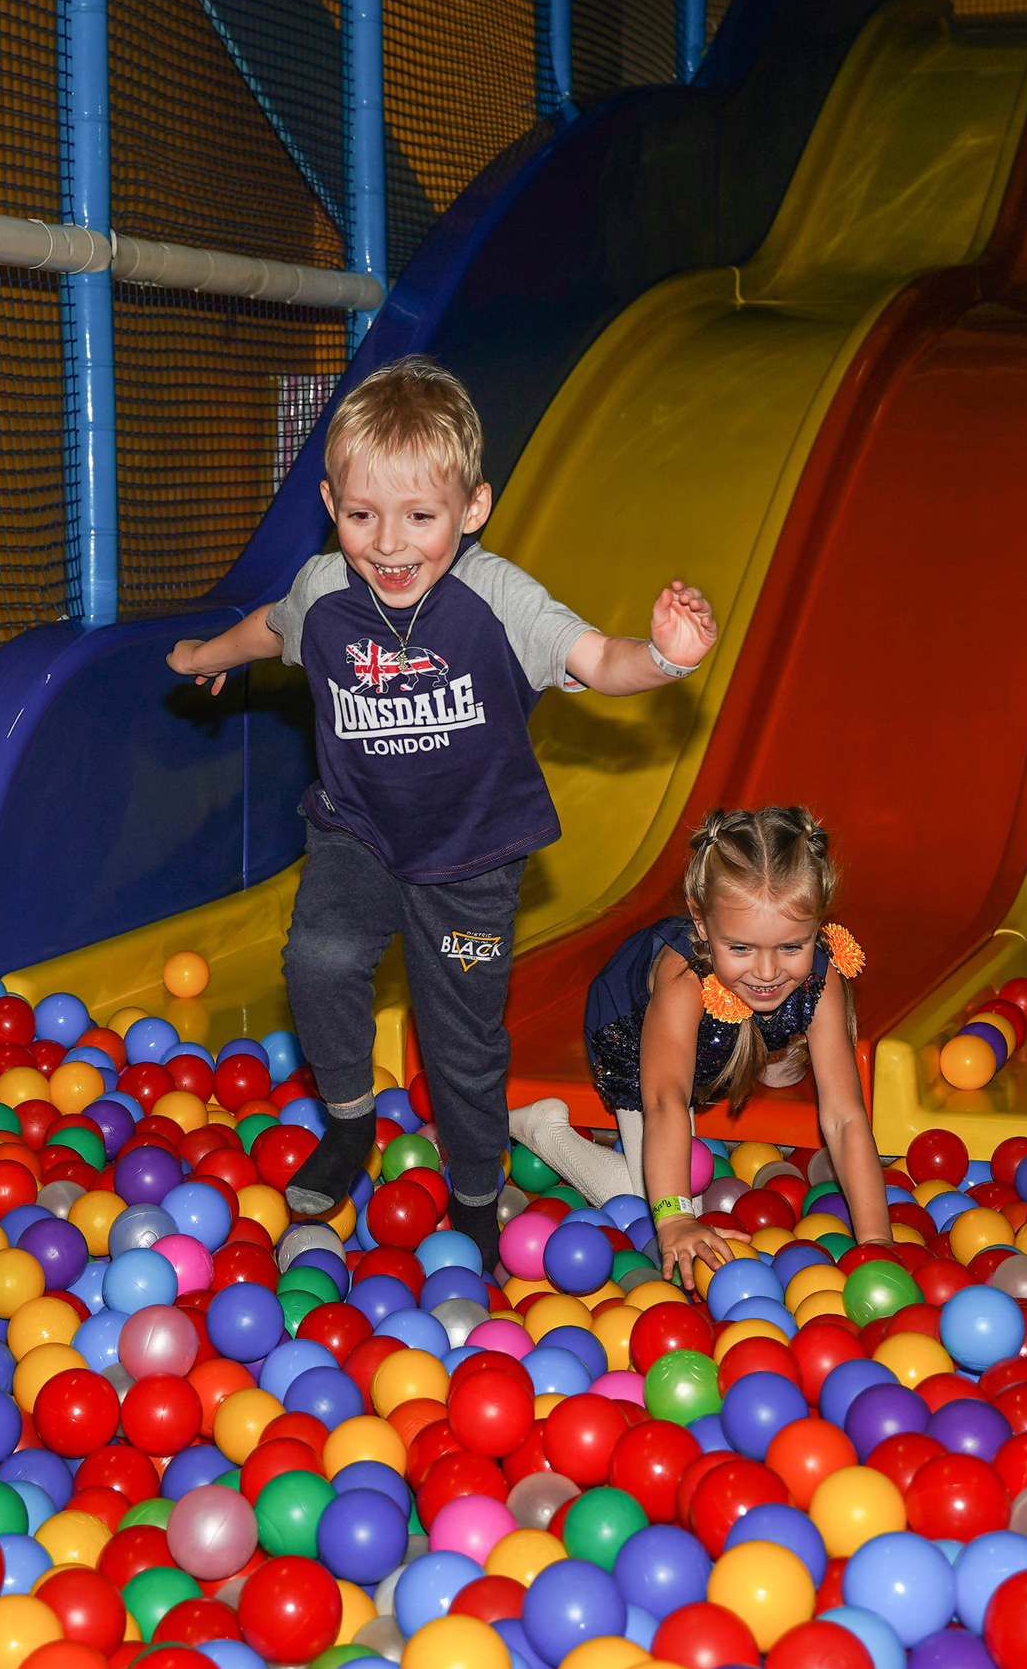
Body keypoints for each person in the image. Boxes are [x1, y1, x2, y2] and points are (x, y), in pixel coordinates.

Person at [167, 355, 718, 1261]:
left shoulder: (496, 598)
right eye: (360, 515)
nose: (388, 543)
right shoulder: (326, 593)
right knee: (319, 955)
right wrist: (203, 657)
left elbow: (596, 661)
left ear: (472, 511)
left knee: (459, 1036)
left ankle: (473, 1189)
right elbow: (272, 624)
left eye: (420, 518)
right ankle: (349, 1120)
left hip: (472, 859)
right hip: (359, 832)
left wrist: (664, 658)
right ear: (329, 501)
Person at [507, 806, 892, 1284]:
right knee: (640, 1197)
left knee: (780, 1040)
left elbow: (845, 1115)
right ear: (702, 922)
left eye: (792, 947)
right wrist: (674, 1220)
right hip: (636, 1035)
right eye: (741, 948)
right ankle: (542, 1130)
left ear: (817, 927)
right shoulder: (683, 978)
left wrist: (877, 1241)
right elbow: (666, 1100)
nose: (768, 972)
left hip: (728, 1023)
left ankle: (762, 1051)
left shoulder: (818, 973)